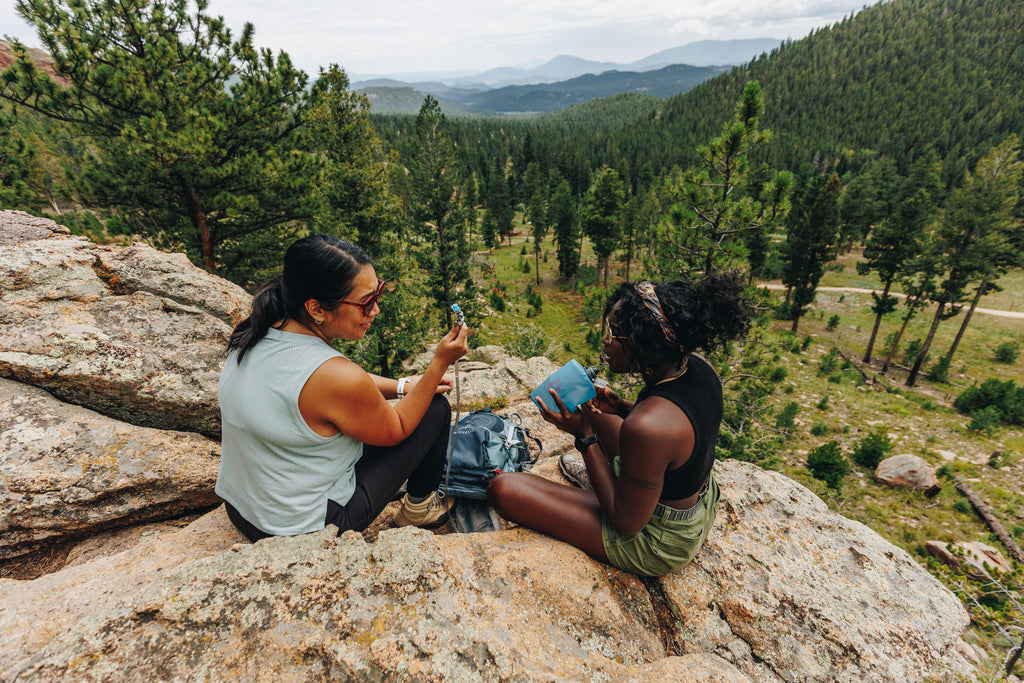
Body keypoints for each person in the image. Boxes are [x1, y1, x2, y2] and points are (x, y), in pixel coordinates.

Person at [487, 273, 749, 577]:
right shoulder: (700, 368)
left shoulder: (648, 427)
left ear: (644, 343)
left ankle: (602, 487)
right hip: (694, 504)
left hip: (656, 538)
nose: (606, 340)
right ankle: (607, 484)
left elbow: (626, 524)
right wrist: (622, 407)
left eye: (615, 333)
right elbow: (676, 428)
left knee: (503, 489)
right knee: (596, 410)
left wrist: (583, 435)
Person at [216, 234, 469, 542]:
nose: (375, 310)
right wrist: (438, 365)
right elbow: (397, 427)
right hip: (302, 529)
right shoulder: (336, 376)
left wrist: (403, 386)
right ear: (317, 309)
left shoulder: (253, 335)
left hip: (242, 509)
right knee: (434, 408)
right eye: (366, 302)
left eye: (378, 293)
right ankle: (419, 509)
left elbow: (336, 387)